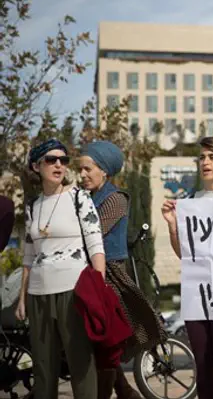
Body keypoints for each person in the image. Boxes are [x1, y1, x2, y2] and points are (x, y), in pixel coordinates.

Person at [16, 139, 106, 399]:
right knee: (43, 368)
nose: (59, 165)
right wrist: (22, 297)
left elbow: (95, 245)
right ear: (36, 165)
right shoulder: (32, 206)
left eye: (63, 160)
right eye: (51, 160)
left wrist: (98, 289)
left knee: (81, 365)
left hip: (74, 291)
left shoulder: (79, 198)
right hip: (37, 294)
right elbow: (29, 255)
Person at [79, 140, 167, 399]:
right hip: (89, 274)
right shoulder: (86, 198)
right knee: (102, 344)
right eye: (80, 170)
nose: (82, 175)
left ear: (104, 171)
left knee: (106, 341)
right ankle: (126, 392)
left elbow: (90, 233)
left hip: (111, 277)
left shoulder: (116, 199)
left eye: (88, 169)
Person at [161, 136, 213, 399]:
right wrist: (172, 225)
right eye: (202, 157)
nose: (205, 162)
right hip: (197, 294)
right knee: (202, 362)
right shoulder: (190, 202)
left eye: (212, 157)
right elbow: (184, 254)